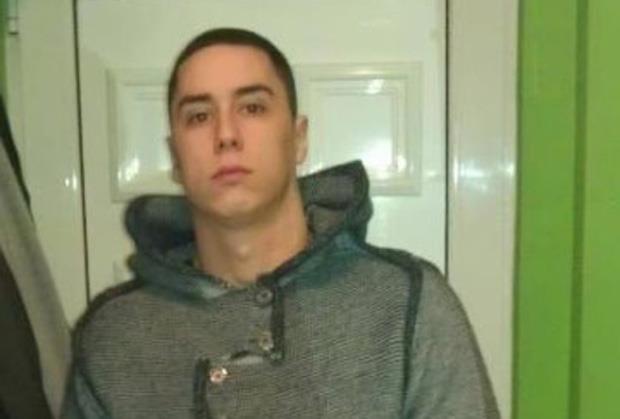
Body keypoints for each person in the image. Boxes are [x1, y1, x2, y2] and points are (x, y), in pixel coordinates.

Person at [62, 28, 499, 418]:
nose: (226, 134)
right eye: (199, 115)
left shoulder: (405, 303)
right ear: (176, 156)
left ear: (298, 138)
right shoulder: (114, 336)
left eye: (252, 107)